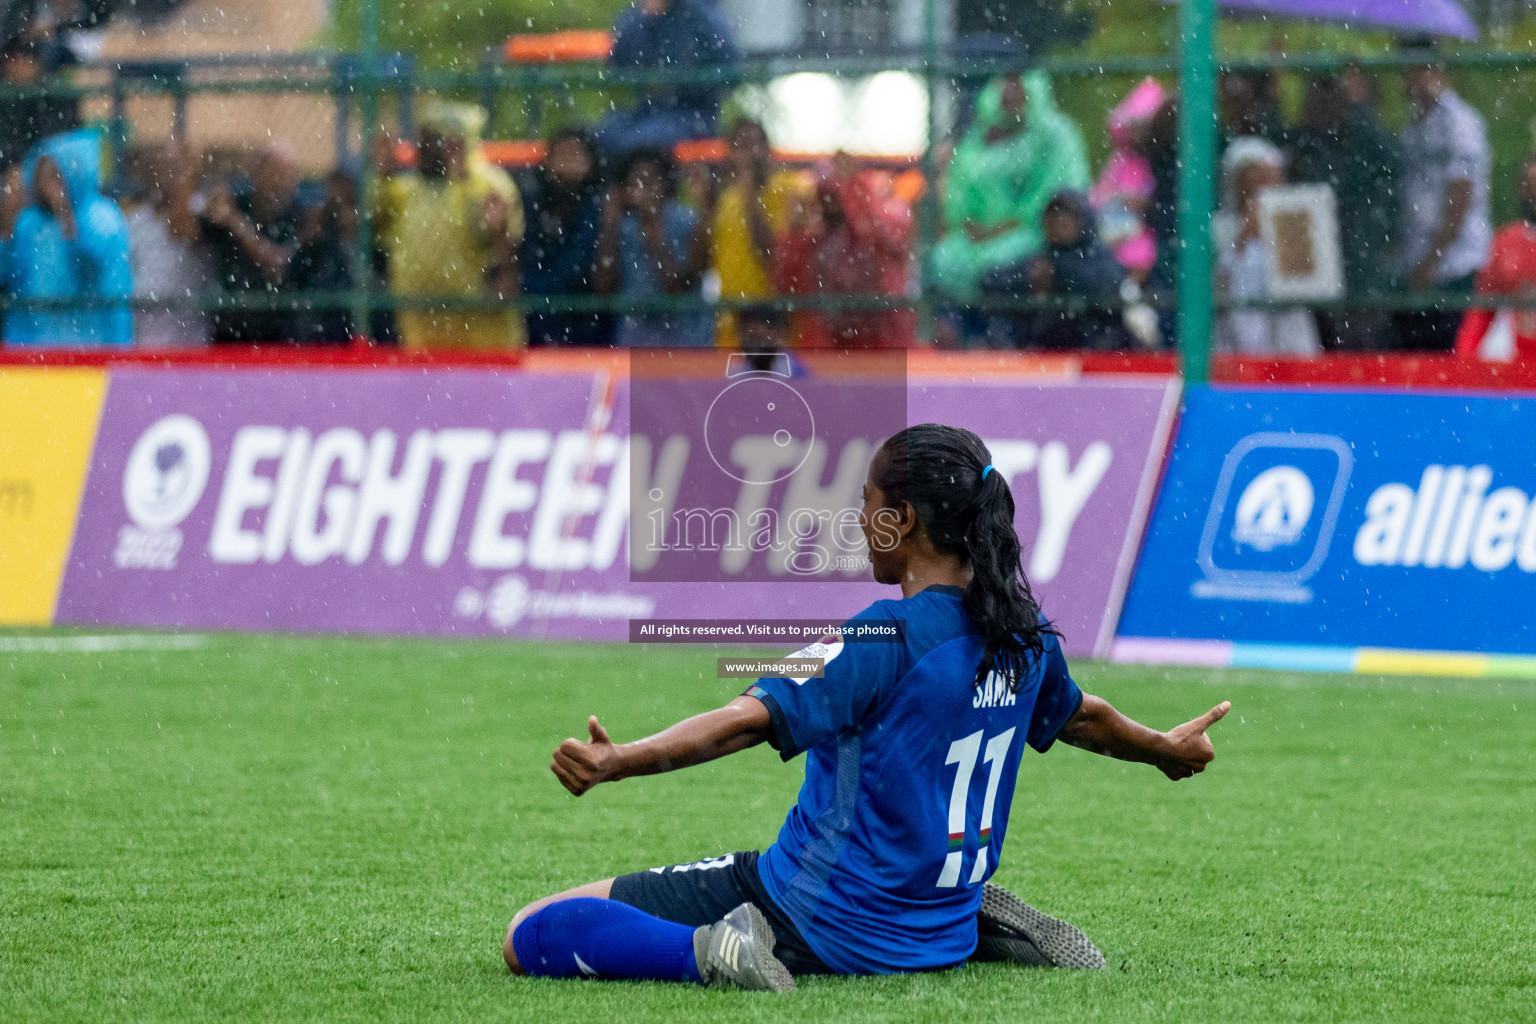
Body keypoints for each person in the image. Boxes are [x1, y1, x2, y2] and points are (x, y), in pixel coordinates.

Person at [503, 424, 1231, 988]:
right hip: (930, 927)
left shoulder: (877, 635)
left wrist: (620, 761)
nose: (858, 522)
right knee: (912, 868)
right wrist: (1162, 749)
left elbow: (743, 720)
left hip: (820, 915)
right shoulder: (1027, 634)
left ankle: (717, 950)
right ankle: (970, 917)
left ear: (904, 520)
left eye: (867, 506)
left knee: (534, 930)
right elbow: (1082, 718)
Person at [375, 103, 525, 351]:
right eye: (424, 139)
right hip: (420, 332)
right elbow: (375, 221)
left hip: (479, 334)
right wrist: (383, 173)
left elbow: (506, 249)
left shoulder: (488, 184)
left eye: (435, 139)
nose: (423, 148)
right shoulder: (410, 189)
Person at [930, 72, 1090, 305]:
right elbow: (961, 197)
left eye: (1018, 84)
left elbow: (1062, 195)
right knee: (944, 260)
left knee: (1003, 269)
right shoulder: (980, 138)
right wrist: (974, 225)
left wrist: (1010, 225)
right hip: (982, 240)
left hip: (1034, 235)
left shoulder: (1054, 135)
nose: (1011, 92)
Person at [1287, 74, 1398, 351]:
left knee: (1361, 351)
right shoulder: (1302, 145)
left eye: (1327, 100)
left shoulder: (1363, 144)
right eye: (1312, 100)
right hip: (1309, 275)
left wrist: (1361, 109)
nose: (1317, 108)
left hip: (1359, 272)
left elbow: (1388, 161)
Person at [1394, 44, 1491, 352]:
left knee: (1448, 360)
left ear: (1437, 71)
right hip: (1417, 265)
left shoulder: (1460, 123)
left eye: (1421, 69)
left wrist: (1431, 262)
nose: (1414, 79)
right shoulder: (1413, 127)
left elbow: (1460, 197)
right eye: (1409, 71)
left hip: (1454, 268)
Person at [1, 128, 132, 347]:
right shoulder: (29, 222)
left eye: (56, 176)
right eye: (42, 177)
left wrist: (67, 221)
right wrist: (6, 228)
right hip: (29, 346)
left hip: (90, 345)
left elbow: (106, 282)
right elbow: (9, 276)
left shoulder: (103, 217)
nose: (48, 186)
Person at [775, 156, 915, 348]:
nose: (830, 204)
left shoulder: (874, 227)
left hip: (876, 332)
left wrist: (854, 190)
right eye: (825, 197)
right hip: (827, 337)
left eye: (835, 196)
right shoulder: (815, 240)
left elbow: (882, 239)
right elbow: (787, 276)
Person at [592, 147, 711, 347]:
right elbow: (603, 288)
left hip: (685, 340)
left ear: (666, 184)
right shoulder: (622, 226)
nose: (644, 189)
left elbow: (678, 288)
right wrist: (610, 224)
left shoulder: (686, 220)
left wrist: (654, 237)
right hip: (634, 341)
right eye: (636, 181)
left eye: (651, 181)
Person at [981, 189, 1128, 350]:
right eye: (1052, 213)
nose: (1058, 220)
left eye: (1066, 213)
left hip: (1088, 351)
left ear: (1083, 219)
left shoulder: (1098, 256)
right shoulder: (1041, 257)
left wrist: (1059, 276)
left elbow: (1109, 286)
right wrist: (1027, 279)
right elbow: (989, 281)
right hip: (1039, 354)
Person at [1213, 138, 1321, 357]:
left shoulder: (1294, 223)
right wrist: (1242, 239)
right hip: (1239, 334)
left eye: (1272, 175)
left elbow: (1309, 280)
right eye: (1257, 176)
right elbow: (1217, 286)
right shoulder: (1220, 226)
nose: (1267, 183)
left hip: (1289, 333)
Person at [596, 0, 738, 158]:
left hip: (693, 115)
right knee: (599, 138)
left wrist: (682, 83)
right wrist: (646, 16)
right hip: (645, 112)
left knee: (642, 142)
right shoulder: (643, 12)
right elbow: (618, 58)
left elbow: (728, 65)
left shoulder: (703, 13)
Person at [198, 143, 304, 344]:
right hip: (230, 327)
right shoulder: (238, 204)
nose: (280, 183)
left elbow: (277, 264)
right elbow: (188, 234)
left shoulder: (298, 214)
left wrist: (235, 222)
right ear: (255, 174)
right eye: (273, 173)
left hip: (279, 330)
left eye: (286, 175)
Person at [707, 119, 798, 350]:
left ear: (767, 149)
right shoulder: (727, 198)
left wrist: (751, 195)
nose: (749, 153)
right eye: (741, 145)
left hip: (772, 319)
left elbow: (771, 252)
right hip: (733, 320)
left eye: (755, 144)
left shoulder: (785, 188)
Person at [521, 128, 610, 347]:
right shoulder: (531, 204)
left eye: (576, 155)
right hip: (534, 325)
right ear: (547, 162)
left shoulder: (598, 209)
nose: (568, 164)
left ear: (591, 164)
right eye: (562, 155)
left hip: (585, 325)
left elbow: (577, 270)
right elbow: (524, 261)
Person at [122, 142, 212, 348]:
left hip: (188, 341)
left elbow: (182, 232)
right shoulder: (137, 219)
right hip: (145, 338)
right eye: (156, 169)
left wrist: (184, 179)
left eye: (170, 168)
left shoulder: (200, 210)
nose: (162, 176)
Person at [1455, 157, 1536, 361]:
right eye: (1530, 187)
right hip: (1512, 360)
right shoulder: (1506, 242)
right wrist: (1465, 359)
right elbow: (1481, 311)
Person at [1090, 77, 1164, 281]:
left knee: (1141, 252)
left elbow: (1157, 199)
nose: (1138, 133)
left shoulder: (1157, 161)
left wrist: (1143, 203)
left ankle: (1131, 292)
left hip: (1142, 232)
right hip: (1112, 229)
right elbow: (1099, 194)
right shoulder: (1119, 160)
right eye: (1134, 126)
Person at [287, 170, 358, 346]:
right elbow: (293, 266)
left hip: (348, 307)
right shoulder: (320, 232)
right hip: (323, 304)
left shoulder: (363, 232)